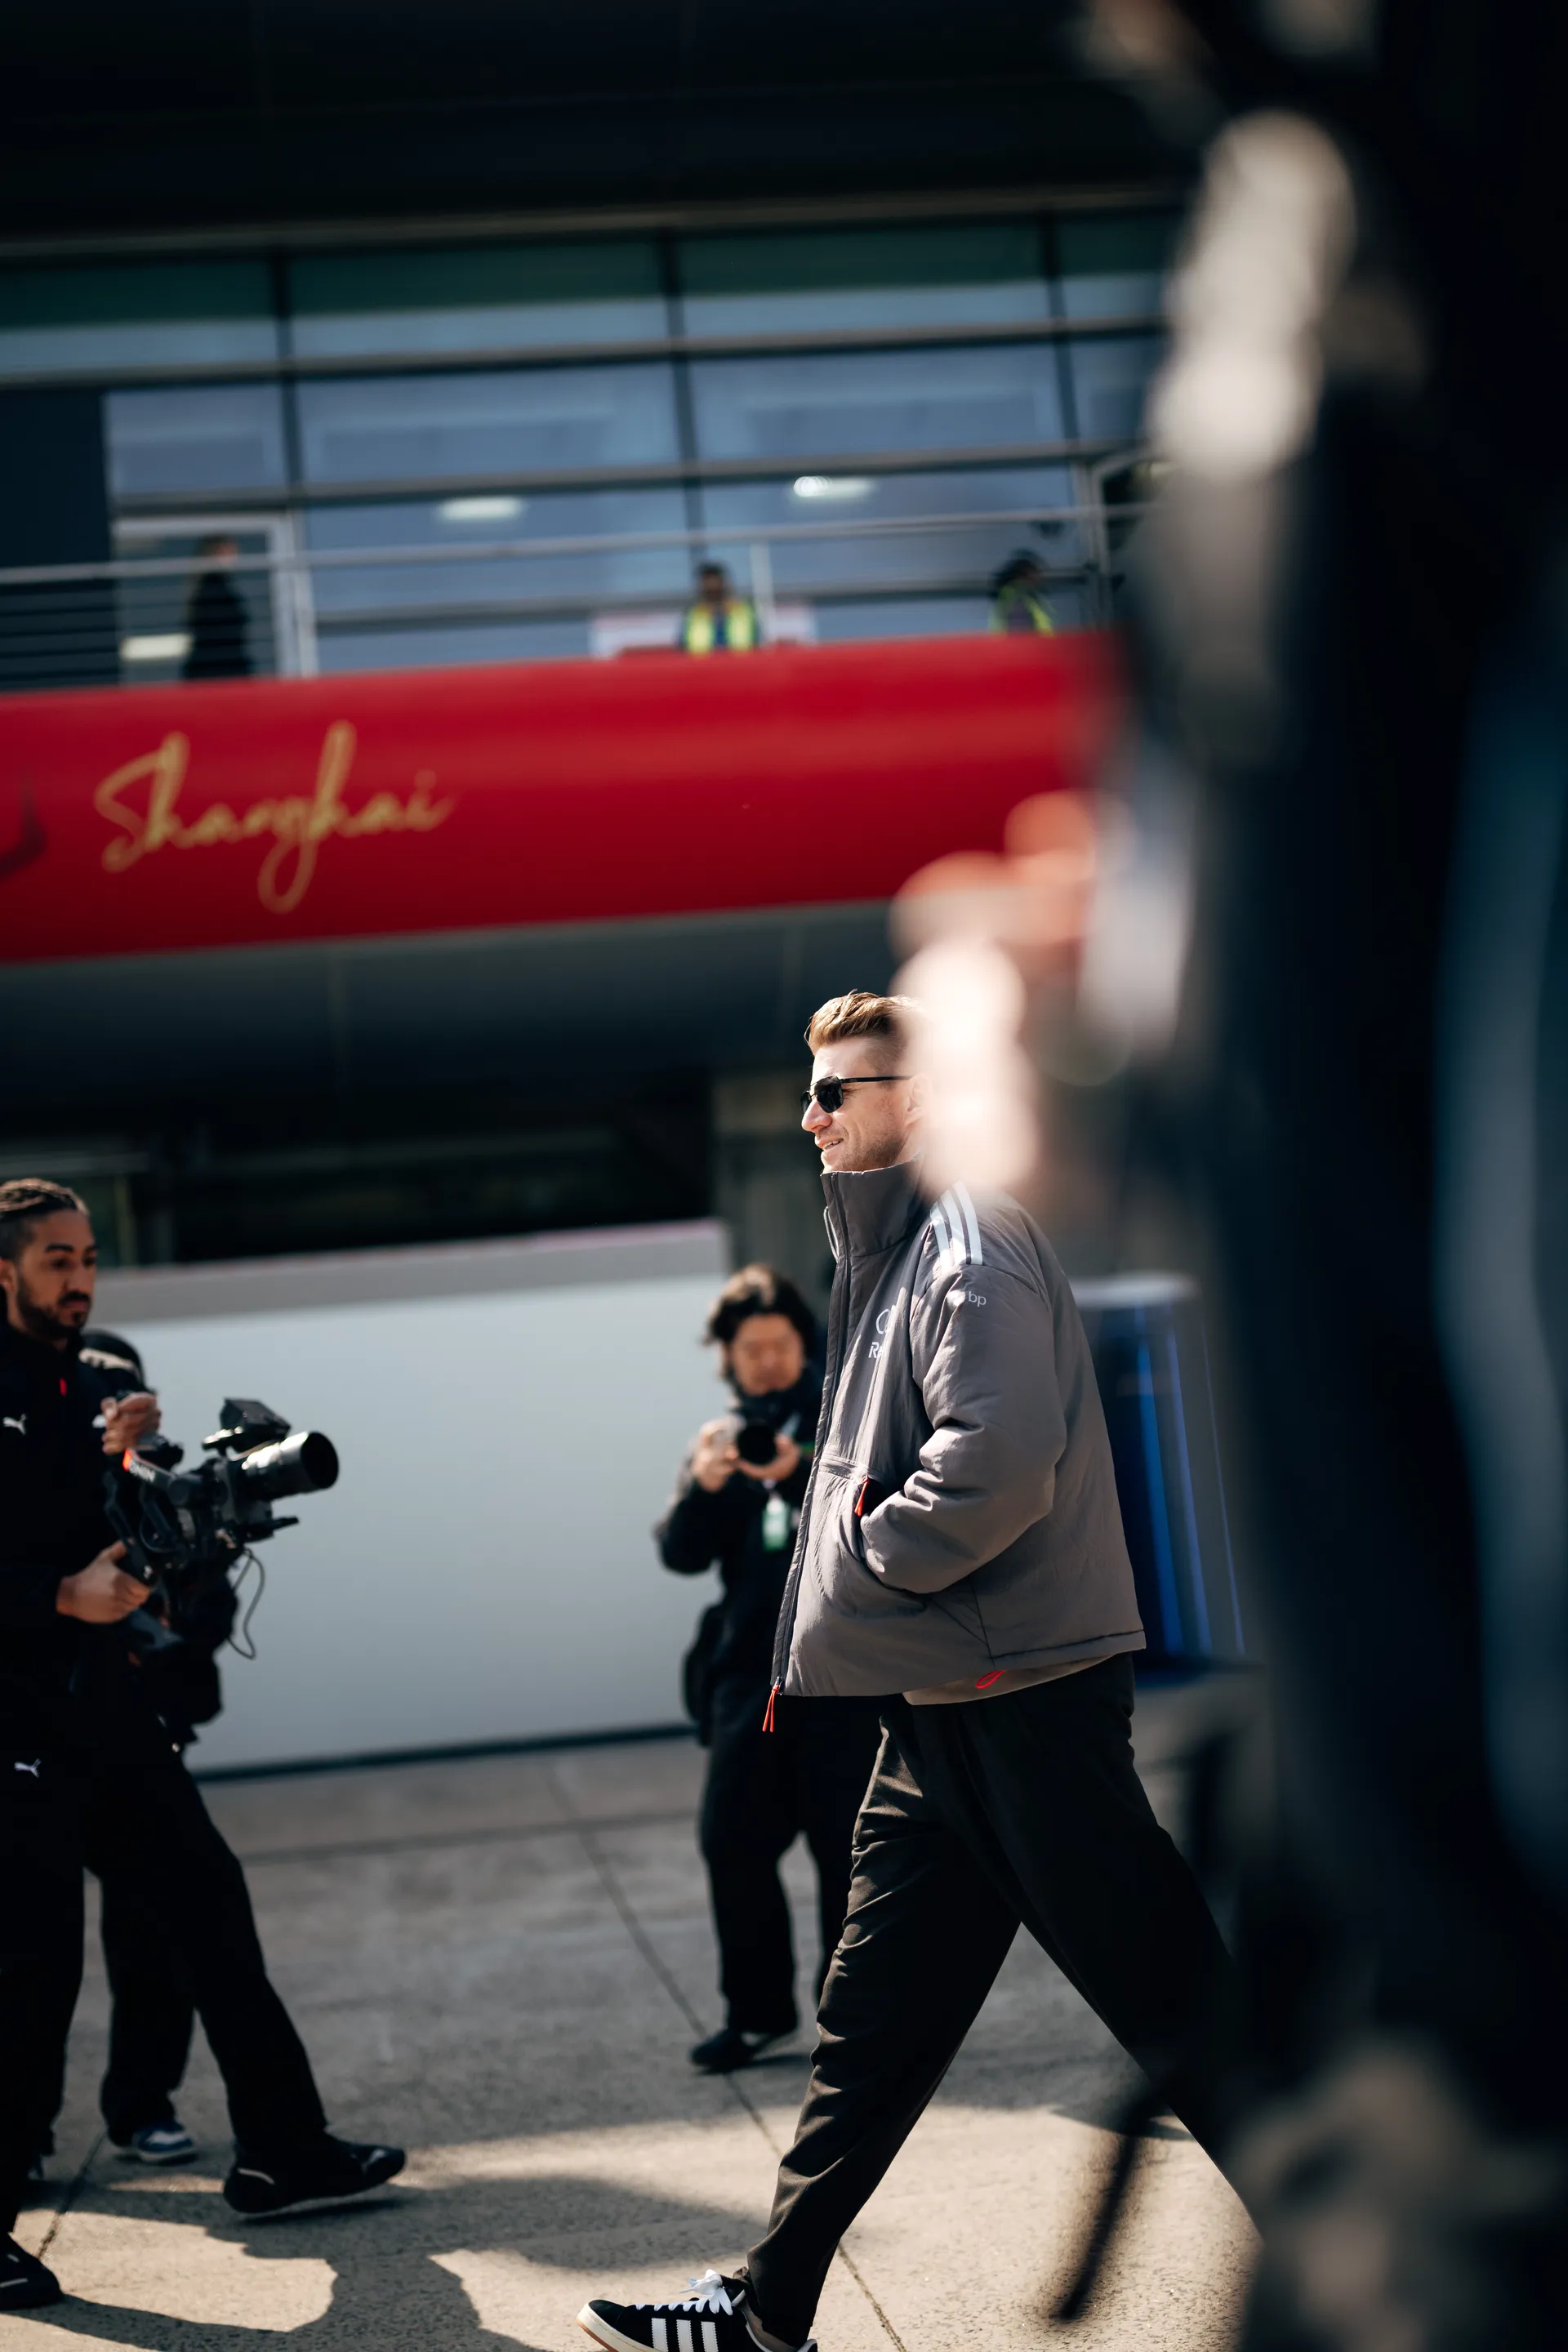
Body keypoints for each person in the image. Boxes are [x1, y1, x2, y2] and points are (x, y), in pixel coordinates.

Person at [578, 992, 1239, 2352]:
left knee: (1182, 2006)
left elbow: (993, 1465)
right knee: (869, 2026)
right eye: (808, 1093)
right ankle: (767, 2314)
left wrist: (864, 1562)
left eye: (839, 1091)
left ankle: (1417, 2278)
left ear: (921, 1097)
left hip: (1019, 1698)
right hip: (946, 1711)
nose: (810, 1115)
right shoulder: (886, 1253)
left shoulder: (969, 1245)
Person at [0, 1178, 403, 2312]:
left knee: (210, 1913)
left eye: (87, 1257)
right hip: (12, 1722)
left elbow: (130, 1541)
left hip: (107, 1707)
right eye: (55, 1260)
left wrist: (136, 1467)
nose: (80, 1278)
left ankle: (287, 2150)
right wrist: (48, 1594)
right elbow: (49, 1570)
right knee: (34, 1967)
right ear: (3, 1272)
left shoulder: (101, 1383)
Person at [24, 1323, 235, 2182]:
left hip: (141, 1728)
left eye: (127, 1397)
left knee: (155, 1929)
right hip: (39, 1736)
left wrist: (177, 1590)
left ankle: (143, 2106)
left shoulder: (160, 1481)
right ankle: (25, 2137)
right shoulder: (35, 1481)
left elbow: (211, 1606)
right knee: (35, 1946)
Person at [657, 1267, 881, 2074]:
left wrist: (794, 1468)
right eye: (748, 1350)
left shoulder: (848, 1421)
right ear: (726, 1357)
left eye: (778, 1345)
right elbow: (681, 1555)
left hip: (843, 1674)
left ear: (803, 1344)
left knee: (844, 1850)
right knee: (731, 1842)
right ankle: (756, 2016)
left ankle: (852, 2020)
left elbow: (873, 1522)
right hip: (749, 1679)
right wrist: (708, 1489)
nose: (764, 1362)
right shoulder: (717, 1440)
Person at [181, 534, 252, 679]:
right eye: (228, 553)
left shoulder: (211, 586)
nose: (234, 558)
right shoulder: (213, 588)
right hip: (220, 670)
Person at [679, 563, 759, 653]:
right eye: (707, 582)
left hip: (741, 665)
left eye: (715, 581)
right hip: (703, 666)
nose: (712, 586)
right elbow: (684, 647)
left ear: (725, 583)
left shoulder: (744, 610)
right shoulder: (692, 614)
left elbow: (758, 644)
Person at [988, 550, 1054, 634]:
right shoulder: (1019, 597)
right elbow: (1019, 630)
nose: (1040, 577)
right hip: (1029, 645)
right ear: (1026, 574)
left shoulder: (1022, 595)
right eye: (1036, 572)